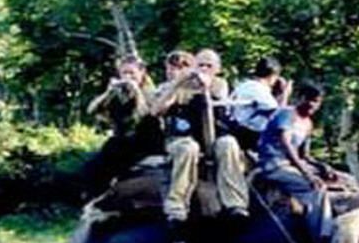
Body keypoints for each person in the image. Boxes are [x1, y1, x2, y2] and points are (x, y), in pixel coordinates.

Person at [146, 48, 248, 223]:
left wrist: (205, 86)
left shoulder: (220, 83)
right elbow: (155, 111)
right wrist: (177, 85)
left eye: (209, 65)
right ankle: (176, 207)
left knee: (229, 143)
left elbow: (218, 96)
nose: (204, 69)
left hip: (213, 138)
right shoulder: (172, 86)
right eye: (200, 65)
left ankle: (236, 204)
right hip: (180, 139)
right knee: (188, 148)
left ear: (217, 68)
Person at [81, 54, 159, 193]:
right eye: (125, 73)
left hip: (145, 141)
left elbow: (144, 114)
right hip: (123, 139)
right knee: (93, 165)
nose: (128, 77)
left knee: (114, 156)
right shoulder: (119, 91)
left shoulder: (151, 92)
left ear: (142, 72)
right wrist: (109, 92)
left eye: (132, 73)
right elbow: (91, 110)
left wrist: (136, 92)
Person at [257, 79, 331, 197]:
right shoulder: (286, 114)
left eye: (317, 102)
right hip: (275, 165)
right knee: (315, 187)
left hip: (292, 166)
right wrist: (307, 174)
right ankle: (319, 215)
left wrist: (322, 167)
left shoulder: (308, 124)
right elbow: (286, 145)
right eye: (310, 100)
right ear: (301, 98)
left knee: (343, 180)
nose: (313, 105)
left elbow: (305, 155)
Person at [226, 57, 284, 140]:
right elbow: (277, 114)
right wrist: (285, 94)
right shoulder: (258, 89)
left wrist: (279, 94)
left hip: (236, 128)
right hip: (248, 134)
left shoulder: (244, 85)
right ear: (272, 75)